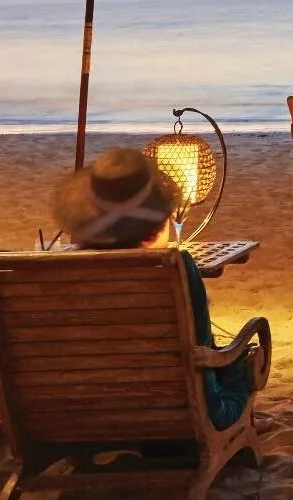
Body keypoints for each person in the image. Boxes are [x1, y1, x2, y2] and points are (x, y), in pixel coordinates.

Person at [54, 149, 263, 433]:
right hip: (181, 411)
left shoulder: (63, 271)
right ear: (154, 226)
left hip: (81, 414)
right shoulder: (178, 268)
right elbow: (203, 347)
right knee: (243, 359)